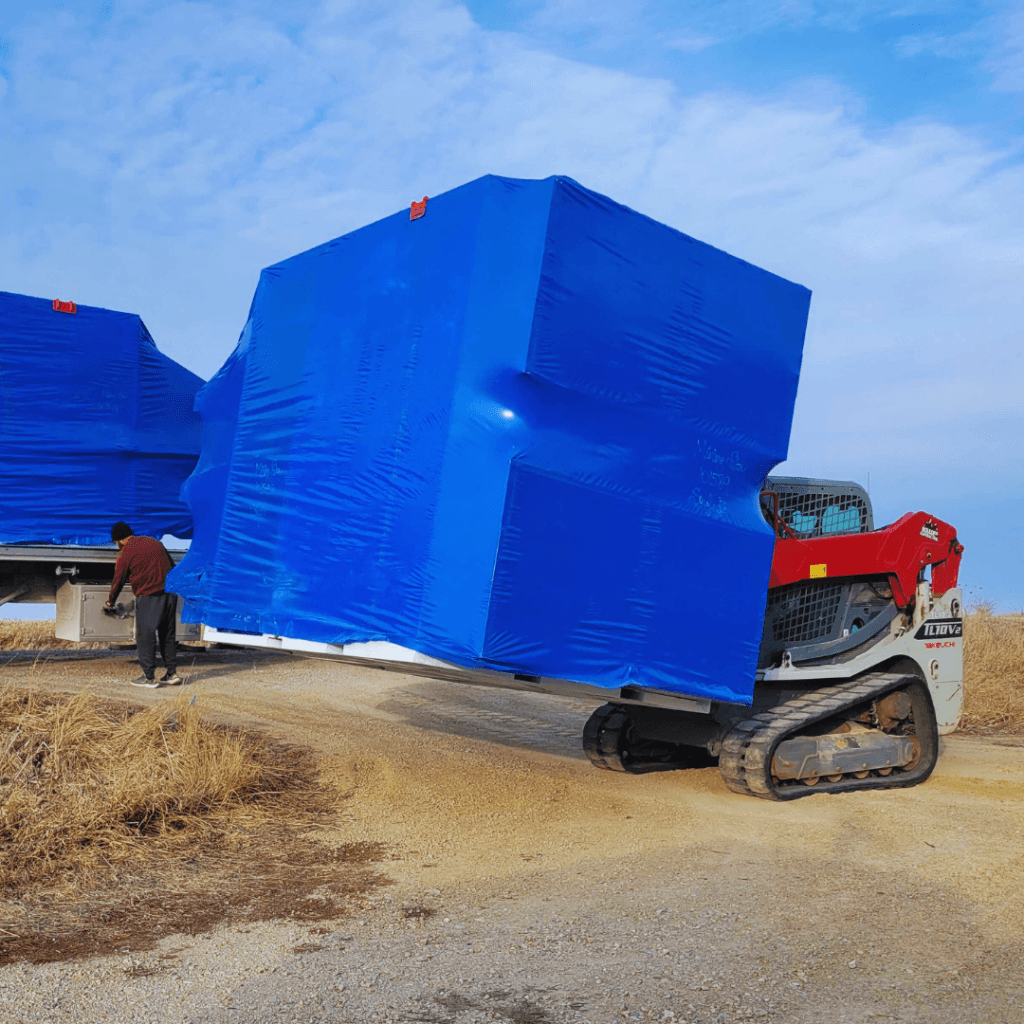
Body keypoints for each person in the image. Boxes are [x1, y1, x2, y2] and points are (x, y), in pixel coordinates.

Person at [105, 521, 181, 688]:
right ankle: (171, 674)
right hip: (170, 594)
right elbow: (172, 566)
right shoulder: (154, 542)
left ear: (118, 541)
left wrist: (111, 601)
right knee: (167, 635)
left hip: (149, 596)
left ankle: (149, 677)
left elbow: (118, 579)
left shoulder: (126, 552)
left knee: (145, 636)